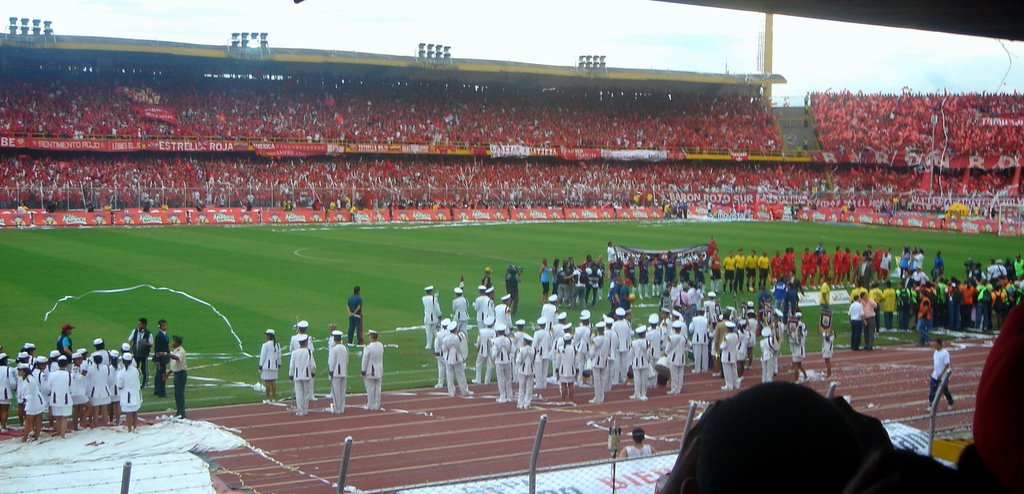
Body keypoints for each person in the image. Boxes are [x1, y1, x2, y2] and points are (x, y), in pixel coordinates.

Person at [443, 321, 472, 397]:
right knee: (461, 375)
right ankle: (464, 391)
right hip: (457, 357)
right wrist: (461, 355)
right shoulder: (457, 338)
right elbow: (459, 347)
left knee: (449, 375)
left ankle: (451, 392)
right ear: (455, 329)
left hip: (448, 358)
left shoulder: (446, 338)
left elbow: (444, 349)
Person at [289, 334, 315, 416]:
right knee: (306, 393)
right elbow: (313, 365)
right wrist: (313, 372)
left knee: (299, 393)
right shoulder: (309, 352)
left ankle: (300, 410)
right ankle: (305, 409)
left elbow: (291, 365)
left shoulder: (294, 352)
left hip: (297, 375)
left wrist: (290, 374)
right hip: (307, 375)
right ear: (306, 342)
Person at [17, 363, 44, 442]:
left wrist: (25, 400)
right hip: (35, 401)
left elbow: (30, 393)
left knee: (30, 421)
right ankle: (35, 437)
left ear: (24, 371)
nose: (18, 372)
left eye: (20, 370)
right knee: (35, 420)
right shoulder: (27, 378)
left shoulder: (29, 380)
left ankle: (26, 438)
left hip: (34, 401)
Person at [117, 353, 142, 432]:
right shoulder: (136, 370)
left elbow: (120, 385)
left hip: (127, 395)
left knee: (128, 412)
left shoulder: (121, 373)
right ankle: (135, 427)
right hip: (136, 393)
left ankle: (129, 429)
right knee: (135, 410)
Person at [589, 322, 612, 404]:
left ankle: (597, 397)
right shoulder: (607, 339)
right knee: (602, 380)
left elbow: (592, 352)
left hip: (597, 361)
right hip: (605, 361)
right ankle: (601, 397)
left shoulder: (597, 339)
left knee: (597, 381)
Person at [87, 353, 112, 427]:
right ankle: (105, 424)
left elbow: (88, 378)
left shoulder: (90, 368)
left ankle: (96, 425)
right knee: (104, 410)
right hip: (105, 390)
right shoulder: (106, 367)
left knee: (96, 410)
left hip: (94, 392)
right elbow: (108, 378)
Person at [361, 330, 384, 411]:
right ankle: (377, 404)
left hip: (370, 371)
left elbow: (365, 360)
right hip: (379, 370)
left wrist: (363, 370)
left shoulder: (368, 347)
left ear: (371, 337)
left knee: (370, 388)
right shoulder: (380, 345)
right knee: (378, 388)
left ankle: (370, 405)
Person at [327, 330, 349, 414]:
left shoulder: (334, 349)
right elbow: (347, 360)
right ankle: (342, 407)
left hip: (336, 372)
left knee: (336, 391)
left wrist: (331, 372)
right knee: (342, 390)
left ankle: (337, 408)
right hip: (344, 371)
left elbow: (332, 362)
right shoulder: (344, 348)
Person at [167, 335, 188, 419]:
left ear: (177, 343)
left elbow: (176, 358)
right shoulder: (176, 350)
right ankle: (179, 412)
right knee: (177, 394)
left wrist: (166, 354)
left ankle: (182, 413)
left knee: (179, 394)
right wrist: (169, 372)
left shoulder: (180, 351)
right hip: (177, 373)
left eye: (174, 341)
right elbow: (175, 365)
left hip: (180, 374)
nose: (172, 343)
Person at [128, 317, 153, 387]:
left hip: (144, 354)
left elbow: (151, 344)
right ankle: (135, 381)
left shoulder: (149, 333)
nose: (138, 325)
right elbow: (130, 339)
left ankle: (145, 382)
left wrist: (145, 342)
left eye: (140, 324)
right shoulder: (135, 331)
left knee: (144, 369)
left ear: (144, 325)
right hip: (136, 353)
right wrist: (129, 348)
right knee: (134, 368)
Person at [491, 327, 514, 404]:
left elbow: (494, 354)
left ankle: (502, 396)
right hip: (507, 361)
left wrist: (492, 356)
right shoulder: (509, 340)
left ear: (497, 332)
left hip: (499, 362)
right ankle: (510, 396)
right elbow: (513, 350)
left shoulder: (495, 341)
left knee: (501, 379)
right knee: (508, 378)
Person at [629, 326, 653, 401]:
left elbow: (631, 354)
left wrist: (631, 362)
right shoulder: (647, 342)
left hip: (636, 362)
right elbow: (649, 353)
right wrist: (648, 360)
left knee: (637, 379)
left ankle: (637, 393)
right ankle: (643, 394)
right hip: (644, 362)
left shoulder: (634, 342)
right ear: (644, 334)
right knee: (644, 379)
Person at [259, 329, 282, 403]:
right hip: (274, 365)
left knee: (267, 382)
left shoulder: (265, 345)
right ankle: (274, 398)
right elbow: (279, 355)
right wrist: (279, 363)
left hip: (267, 366)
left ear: (269, 336)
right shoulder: (277, 344)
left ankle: (268, 398)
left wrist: (260, 365)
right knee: (273, 382)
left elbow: (263, 356)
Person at [515, 334, 537, 410]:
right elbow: (535, 360)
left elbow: (518, 360)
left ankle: (520, 404)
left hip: (522, 370)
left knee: (521, 388)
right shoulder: (533, 350)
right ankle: (527, 404)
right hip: (531, 370)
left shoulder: (521, 350)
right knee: (529, 388)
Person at [667, 320, 688, 395]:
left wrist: (666, 353)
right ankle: (679, 389)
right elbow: (688, 345)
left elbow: (667, 349)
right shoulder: (684, 337)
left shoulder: (671, 338)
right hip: (682, 357)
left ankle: (674, 389)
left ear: (674, 329)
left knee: (674, 374)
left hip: (673, 357)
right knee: (680, 374)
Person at [556, 333, 577, 403]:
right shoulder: (573, 348)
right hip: (571, 369)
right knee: (571, 384)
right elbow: (575, 360)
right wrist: (576, 368)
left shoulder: (560, 349)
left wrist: (557, 368)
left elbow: (558, 360)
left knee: (563, 384)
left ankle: (563, 400)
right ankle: (571, 400)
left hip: (562, 369)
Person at [720, 322, 740, 390]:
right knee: (734, 370)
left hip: (727, 355)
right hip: (733, 354)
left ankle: (729, 385)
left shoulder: (727, 336)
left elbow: (723, 346)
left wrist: (721, 343)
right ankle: (736, 384)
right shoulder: (736, 335)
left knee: (727, 371)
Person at [153, 319, 170, 397]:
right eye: (163, 325)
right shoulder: (159, 336)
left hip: (164, 357)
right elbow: (156, 349)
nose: (165, 326)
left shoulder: (165, 334)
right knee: (161, 375)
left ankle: (157, 390)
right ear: (160, 326)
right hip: (161, 358)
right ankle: (161, 392)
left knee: (159, 374)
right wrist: (157, 359)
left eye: (165, 325)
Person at [790, 313, 808, 383]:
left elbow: (797, 338)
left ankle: (796, 380)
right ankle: (806, 376)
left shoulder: (797, 326)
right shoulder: (803, 325)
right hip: (801, 349)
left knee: (795, 365)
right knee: (799, 365)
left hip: (797, 349)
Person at [422, 286, 442, 350]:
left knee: (428, 332)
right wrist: (440, 315)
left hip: (427, 318)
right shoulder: (434, 299)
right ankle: (438, 344)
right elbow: (437, 309)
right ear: (431, 291)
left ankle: (428, 345)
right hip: (434, 318)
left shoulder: (423, 298)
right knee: (436, 332)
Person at [0, 353, 13, 432]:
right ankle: (3, 426)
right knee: (4, 410)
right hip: (5, 392)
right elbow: (12, 383)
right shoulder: (8, 369)